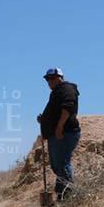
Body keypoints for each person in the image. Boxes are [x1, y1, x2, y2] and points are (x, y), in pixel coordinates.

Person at [37, 68, 81, 199]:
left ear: (60, 77)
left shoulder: (66, 89)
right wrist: (44, 119)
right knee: (57, 165)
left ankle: (68, 195)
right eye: (47, 79)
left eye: (52, 78)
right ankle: (62, 193)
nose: (49, 81)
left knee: (62, 163)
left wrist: (60, 127)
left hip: (64, 133)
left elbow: (68, 108)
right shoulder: (56, 92)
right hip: (57, 134)